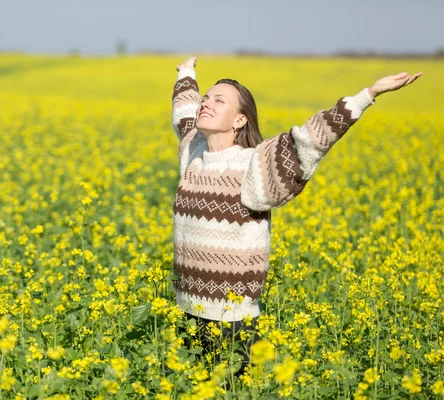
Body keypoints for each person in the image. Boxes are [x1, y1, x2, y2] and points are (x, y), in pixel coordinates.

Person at [171, 56, 422, 375]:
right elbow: (184, 111)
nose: (206, 103)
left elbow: (309, 141)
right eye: (206, 98)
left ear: (239, 121)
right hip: (185, 311)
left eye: (219, 100)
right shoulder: (193, 152)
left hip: (230, 320)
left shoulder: (253, 166)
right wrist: (186, 73)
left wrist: (367, 95)